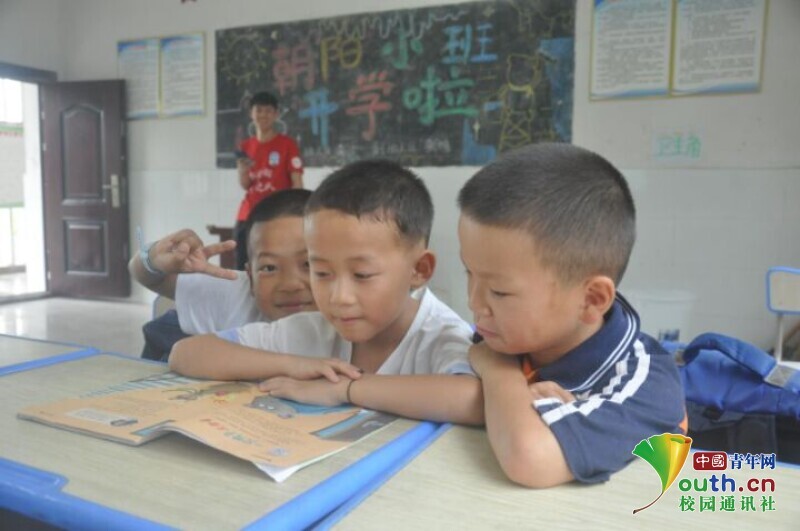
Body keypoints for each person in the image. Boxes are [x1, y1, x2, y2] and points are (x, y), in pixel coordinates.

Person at [169, 160, 483, 425]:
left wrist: (344, 390)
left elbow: (474, 399)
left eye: (362, 275)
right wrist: (293, 365)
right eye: (320, 272)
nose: (338, 297)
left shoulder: (440, 335)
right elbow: (186, 354)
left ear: (419, 270)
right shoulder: (313, 329)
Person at [458, 143, 686, 487]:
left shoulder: (648, 384)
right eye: (468, 273)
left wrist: (498, 371)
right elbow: (456, 397)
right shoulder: (509, 332)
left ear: (591, 300)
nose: (474, 303)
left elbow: (530, 460)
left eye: (499, 292)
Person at [130, 189, 316, 361]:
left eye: (309, 264)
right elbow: (144, 274)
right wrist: (153, 258)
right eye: (269, 268)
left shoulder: (334, 332)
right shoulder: (235, 292)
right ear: (251, 278)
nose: (290, 285)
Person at [235, 91, 305, 269]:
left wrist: (298, 214)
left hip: (277, 214)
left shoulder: (287, 144)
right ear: (251, 114)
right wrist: (242, 171)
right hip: (248, 214)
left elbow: (297, 183)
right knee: (243, 264)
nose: (263, 115)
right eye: (258, 110)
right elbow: (245, 185)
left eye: (268, 111)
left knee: (275, 265)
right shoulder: (245, 146)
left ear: (276, 114)